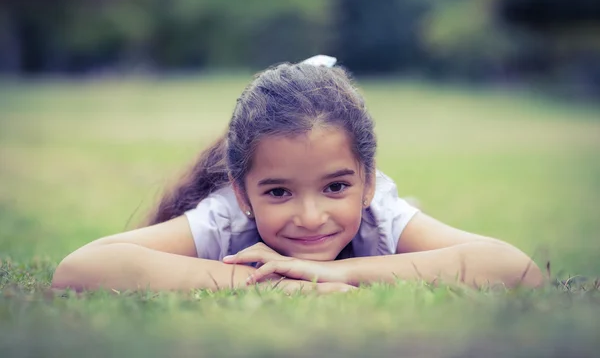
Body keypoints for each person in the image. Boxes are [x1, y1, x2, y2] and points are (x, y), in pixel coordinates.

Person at [51, 56, 543, 294]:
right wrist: (281, 283)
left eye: (336, 186)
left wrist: (338, 271)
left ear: (368, 182)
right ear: (243, 194)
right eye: (279, 192)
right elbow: (77, 271)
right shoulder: (225, 217)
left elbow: (517, 270)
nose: (311, 217)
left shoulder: (379, 211)